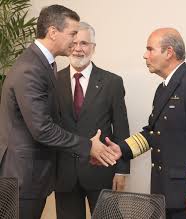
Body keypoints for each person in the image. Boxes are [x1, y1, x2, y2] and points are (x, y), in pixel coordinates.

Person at [0, 5, 118, 219]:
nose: (75, 41)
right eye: (72, 34)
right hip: (24, 175)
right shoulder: (31, 69)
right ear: (53, 32)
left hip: (34, 174)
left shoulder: (42, 64)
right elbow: (42, 129)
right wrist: (88, 146)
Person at [106, 27, 186, 219]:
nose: (145, 55)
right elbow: (153, 133)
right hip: (164, 192)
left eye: (150, 49)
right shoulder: (163, 88)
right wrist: (121, 150)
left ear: (169, 52)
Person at [54, 22, 130, 219]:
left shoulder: (112, 82)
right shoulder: (53, 81)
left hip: (101, 170)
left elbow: (121, 128)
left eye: (84, 43)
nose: (78, 48)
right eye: (74, 42)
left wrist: (122, 171)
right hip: (64, 174)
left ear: (93, 48)